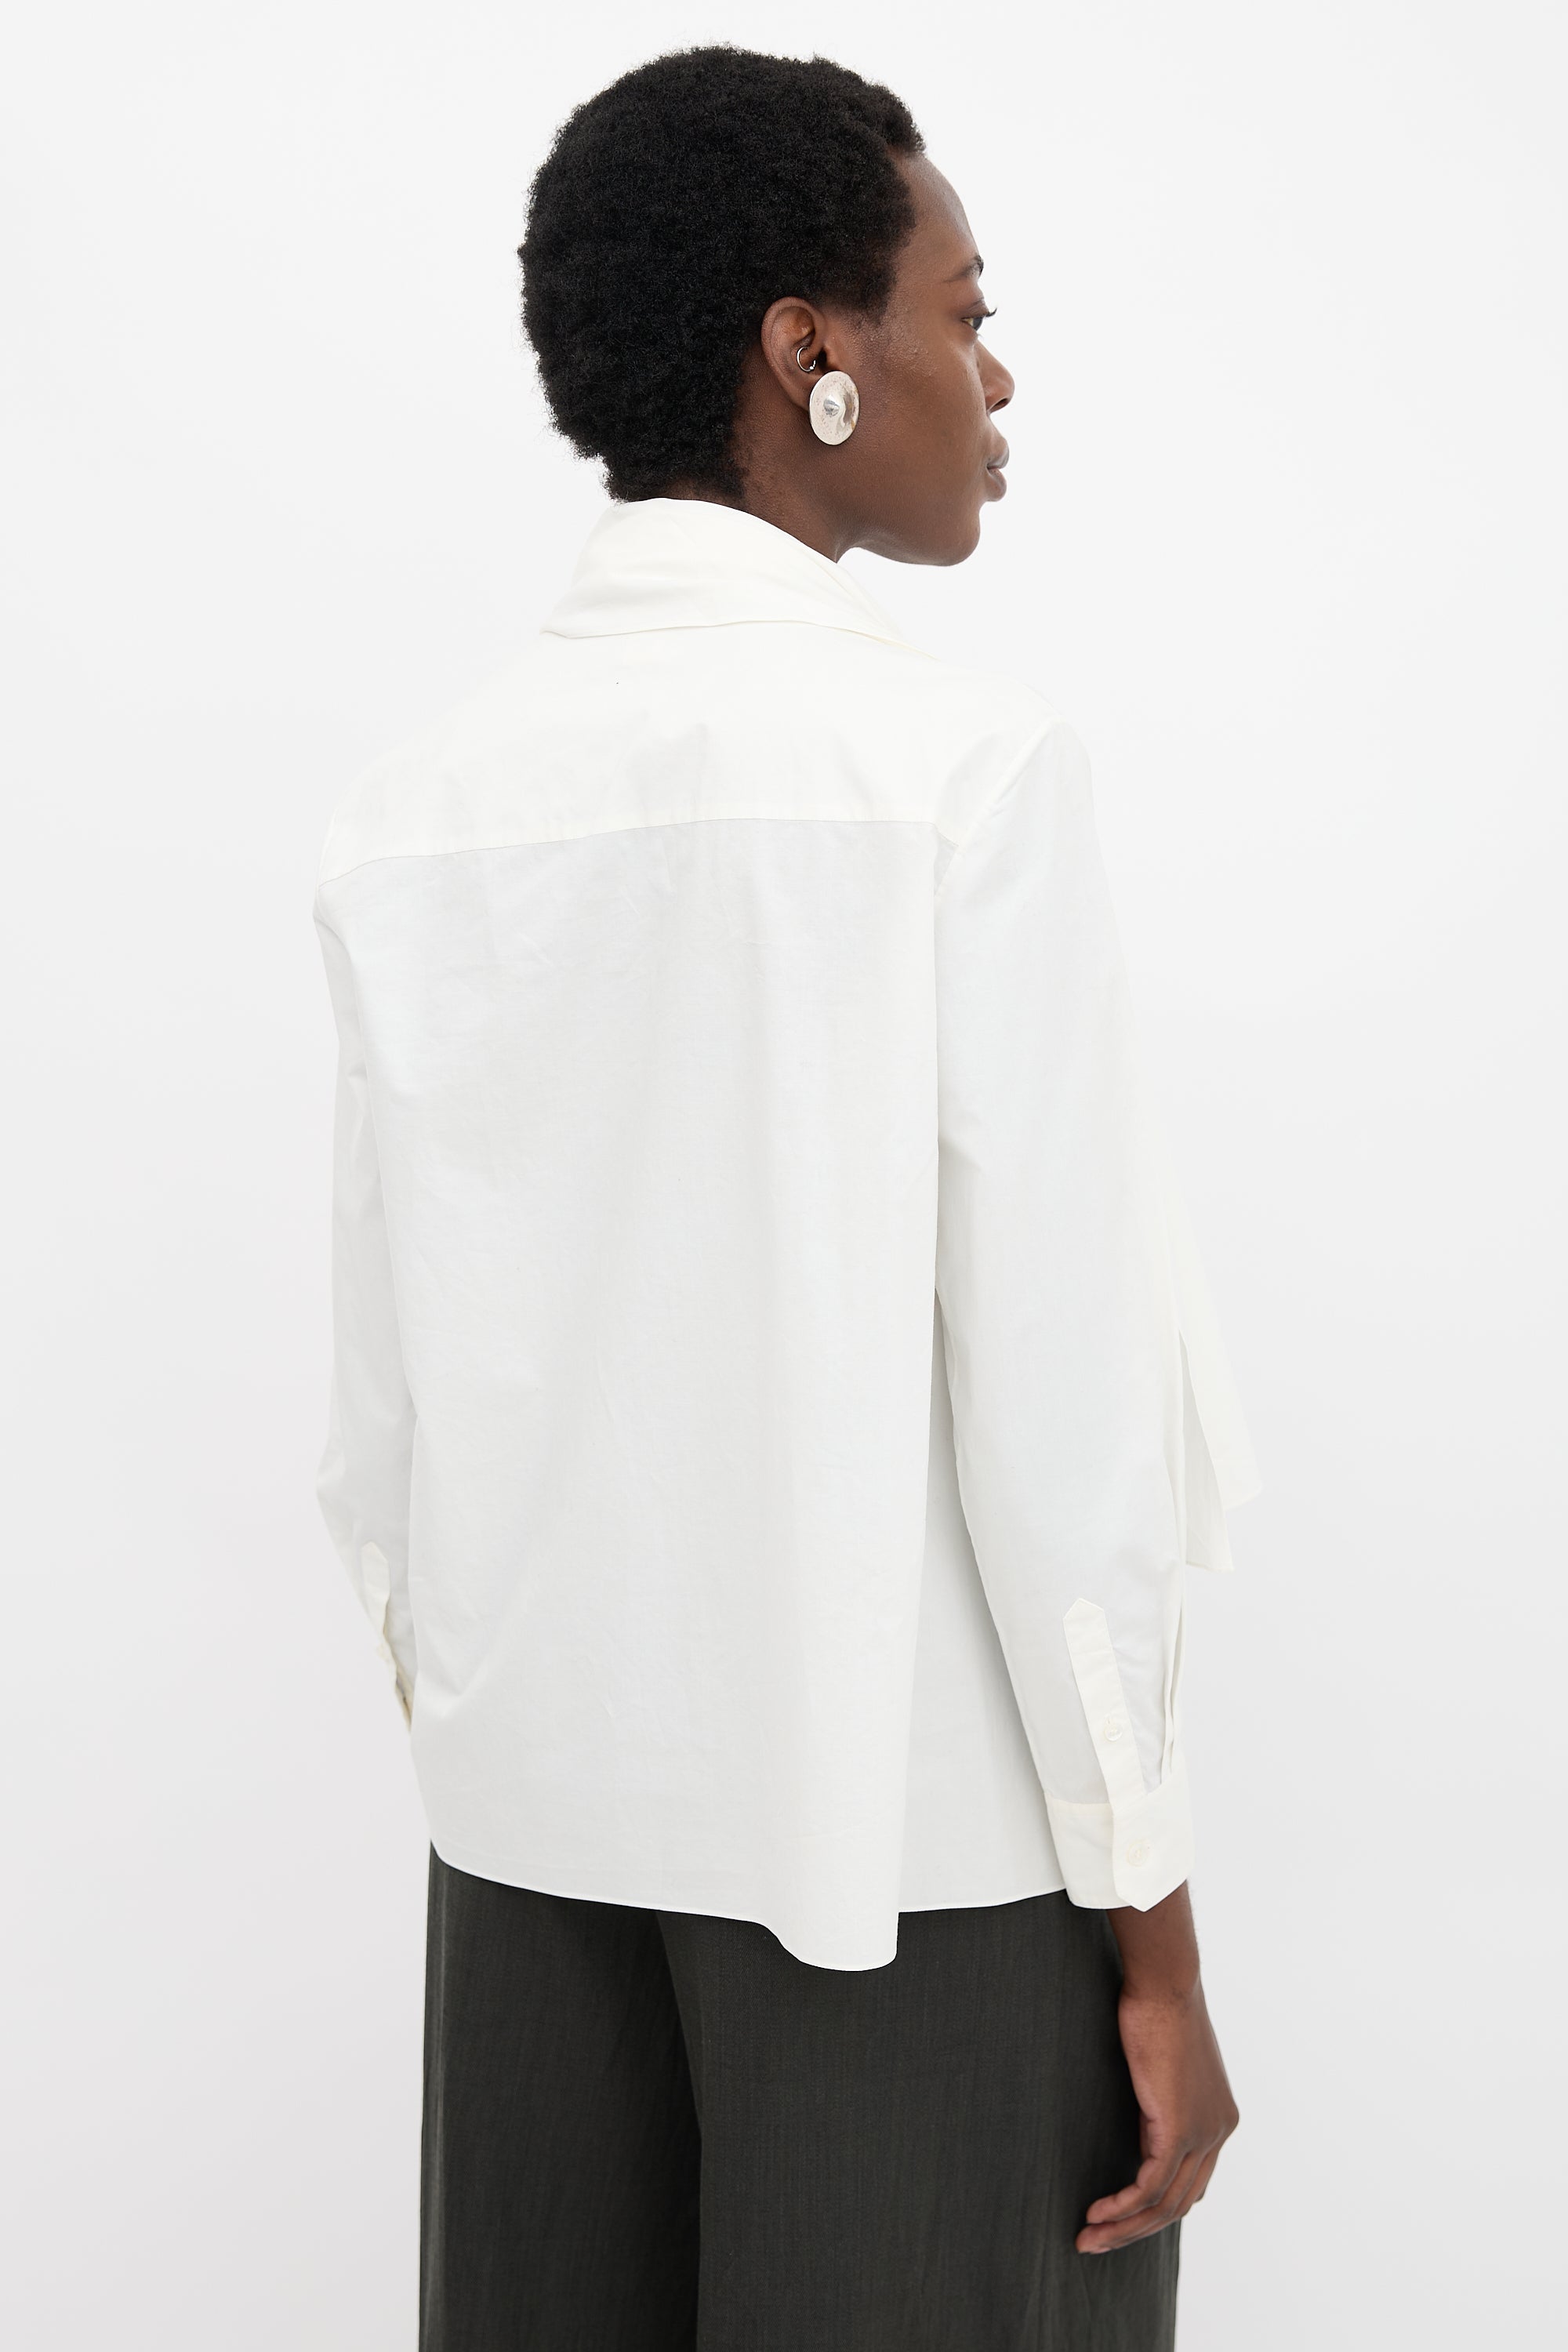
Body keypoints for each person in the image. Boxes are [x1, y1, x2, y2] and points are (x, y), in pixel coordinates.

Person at [314, 44, 1261, 2352]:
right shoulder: (956, 777)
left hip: (528, 1870)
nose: (993, 375)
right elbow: (1064, 1429)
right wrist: (1153, 1933)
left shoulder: (423, 806)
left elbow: (381, 1421)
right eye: (963, 309)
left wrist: (535, 1730)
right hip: (911, 1877)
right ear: (807, 351)